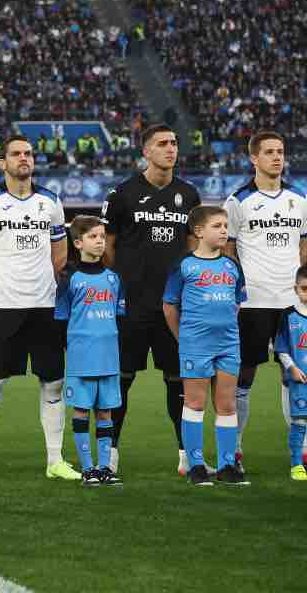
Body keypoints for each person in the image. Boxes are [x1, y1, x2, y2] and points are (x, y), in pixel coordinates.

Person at [0, 135, 77, 481]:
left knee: (53, 384)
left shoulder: (51, 202)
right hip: (4, 307)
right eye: (16, 154)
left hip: (45, 306)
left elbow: (61, 253)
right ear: (3, 163)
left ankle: (55, 461)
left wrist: (46, 279)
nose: (23, 158)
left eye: (28, 153)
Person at [101, 123, 201, 475]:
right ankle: (110, 452)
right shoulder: (122, 194)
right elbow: (108, 248)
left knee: (178, 382)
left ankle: (187, 454)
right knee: (121, 381)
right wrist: (128, 283)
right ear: (145, 151)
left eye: (174, 143)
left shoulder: (188, 195)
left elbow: (193, 249)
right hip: (131, 306)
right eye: (162, 144)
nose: (170, 149)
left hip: (173, 308)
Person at [223, 131, 307, 471]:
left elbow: (303, 248)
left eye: (281, 152)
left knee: (296, 376)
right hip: (254, 302)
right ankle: (237, 449)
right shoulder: (238, 200)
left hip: (292, 303)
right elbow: (228, 249)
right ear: (253, 158)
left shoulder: (299, 198)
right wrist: (238, 289)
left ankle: (299, 452)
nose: (277, 158)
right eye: (269, 152)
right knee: (244, 376)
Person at [162, 206, 248, 486]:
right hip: (195, 345)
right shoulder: (184, 265)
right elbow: (169, 305)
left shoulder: (232, 265)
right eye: (217, 226)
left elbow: (236, 303)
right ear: (199, 231)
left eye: (226, 225)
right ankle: (196, 466)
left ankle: (226, 466)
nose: (224, 230)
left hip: (228, 345)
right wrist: (183, 338)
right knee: (195, 403)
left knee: (226, 404)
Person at [55, 216, 125, 486]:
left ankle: (104, 467)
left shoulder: (113, 278)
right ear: (78, 242)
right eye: (94, 236)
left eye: (102, 236)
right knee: (82, 410)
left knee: (106, 412)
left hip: (108, 357)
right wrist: (72, 350)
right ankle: (87, 469)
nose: (100, 241)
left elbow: (119, 317)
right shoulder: (69, 278)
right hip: (81, 357)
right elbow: (61, 319)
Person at [274, 267, 307, 481]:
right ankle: (296, 464)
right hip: (299, 379)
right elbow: (280, 347)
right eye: (305, 288)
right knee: (300, 422)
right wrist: (292, 368)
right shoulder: (288, 314)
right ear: (296, 288)